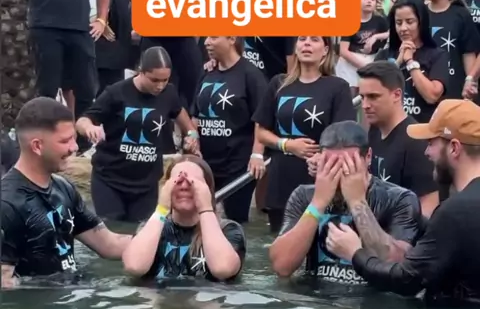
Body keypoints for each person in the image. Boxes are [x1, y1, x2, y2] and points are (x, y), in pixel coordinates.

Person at [327, 100, 480, 304]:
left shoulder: (455, 212)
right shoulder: (457, 212)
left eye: (431, 143)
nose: (426, 152)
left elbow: (406, 280)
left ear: (454, 148)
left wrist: (355, 253)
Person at [269, 120, 422, 286]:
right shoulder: (304, 196)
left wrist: (357, 202)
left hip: (371, 299)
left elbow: (398, 265)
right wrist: (318, 203)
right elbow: (282, 267)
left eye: (349, 164)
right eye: (331, 164)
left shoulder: (399, 198)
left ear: (368, 157)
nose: (339, 172)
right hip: (316, 297)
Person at [1, 98, 131, 287]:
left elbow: (110, 245)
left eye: (73, 138)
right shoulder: (7, 204)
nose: (75, 147)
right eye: (65, 141)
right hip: (40, 303)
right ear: (37, 146)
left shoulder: (63, 188)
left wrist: (165, 231)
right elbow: (5, 285)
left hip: (70, 294)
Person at [76, 46, 198, 223]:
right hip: (110, 179)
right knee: (113, 228)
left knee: (142, 231)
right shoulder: (116, 92)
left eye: (165, 80)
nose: (160, 86)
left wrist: (192, 136)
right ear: (141, 71)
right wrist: (89, 128)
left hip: (146, 183)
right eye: (154, 80)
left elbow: (186, 123)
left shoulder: (169, 93)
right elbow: (82, 121)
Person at [254, 36, 356, 233]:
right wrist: (287, 144)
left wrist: (322, 156)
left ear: (325, 50)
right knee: (280, 241)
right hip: (280, 179)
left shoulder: (337, 87)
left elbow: (344, 134)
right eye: (302, 39)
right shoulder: (278, 83)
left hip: (316, 178)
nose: (306, 43)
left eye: (314, 39)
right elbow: (261, 131)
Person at [122, 155, 246, 283]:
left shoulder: (229, 230)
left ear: (208, 190)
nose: (184, 187)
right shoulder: (151, 228)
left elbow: (223, 269)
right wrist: (161, 209)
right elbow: (134, 267)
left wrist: (206, 208)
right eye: (177, 181)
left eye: (194, 182)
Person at [190, 36, 267, 224]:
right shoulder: (207, 71)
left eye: (214, 36)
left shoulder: (251, 75)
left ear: (232, 38)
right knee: (199, 220)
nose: (206, 42)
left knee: (234, 222)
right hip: (206, 162)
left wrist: (257, 154)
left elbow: (262, 119)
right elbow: (195, 114)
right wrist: (193, 137)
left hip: (237, 164)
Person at [358, 61, 439, 216]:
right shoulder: (374, 129)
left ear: (396, 95)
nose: (365, 105)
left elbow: (428, 206)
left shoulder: (416, 141)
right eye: (362, 97)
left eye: (373, 97)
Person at [375, 0, 448, 121]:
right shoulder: (383, 55)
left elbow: (432, 96)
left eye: (409, 22)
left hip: (422, 127)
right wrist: (398, 62)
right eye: (399, 23)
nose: (403, 28)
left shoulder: (437, 55)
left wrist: (410, 62)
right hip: (388, 127)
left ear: (421, 23)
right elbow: (374, 92)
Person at [423, 0, 480, 100]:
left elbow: (468, 54)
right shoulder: (419, 13)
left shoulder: (461, 15)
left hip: (454, 90)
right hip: (424, 88)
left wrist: (470, 84)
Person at [337, 0, 389, 87]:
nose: (369, 1)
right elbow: (343, 51)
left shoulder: (380, 21)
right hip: (350, 62)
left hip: (371, 60)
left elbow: (392, 33)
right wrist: (364, 66)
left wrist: (376, 37)